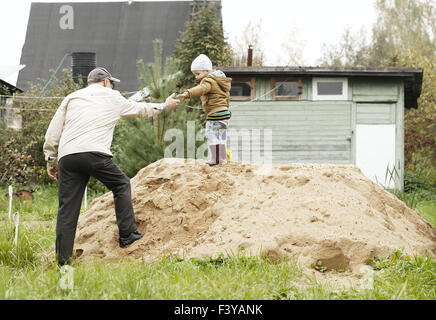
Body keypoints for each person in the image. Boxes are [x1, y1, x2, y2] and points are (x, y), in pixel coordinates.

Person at [43, 67, 180, 266]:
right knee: (121, 184)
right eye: (111, 83)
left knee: (67, 210)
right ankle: (127, 235)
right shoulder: (112, 96)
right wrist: (164, 106)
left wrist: (51, 161)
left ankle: (63, 263)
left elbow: (52, 133)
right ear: (106, 82)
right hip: (94, 153)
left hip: (68, 157)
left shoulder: (71, 98)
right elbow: (140, 109)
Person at [177, 54, 232, 165]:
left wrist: (188, 93)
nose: (196, 77)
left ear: (207, 70)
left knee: (211, 133)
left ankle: (215, 159)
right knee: (218, 135)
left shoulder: (208, 81)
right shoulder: (220, 80)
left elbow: (201, 89)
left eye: (198, 74)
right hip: (225, 113)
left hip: (215, 113)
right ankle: (222, 158)